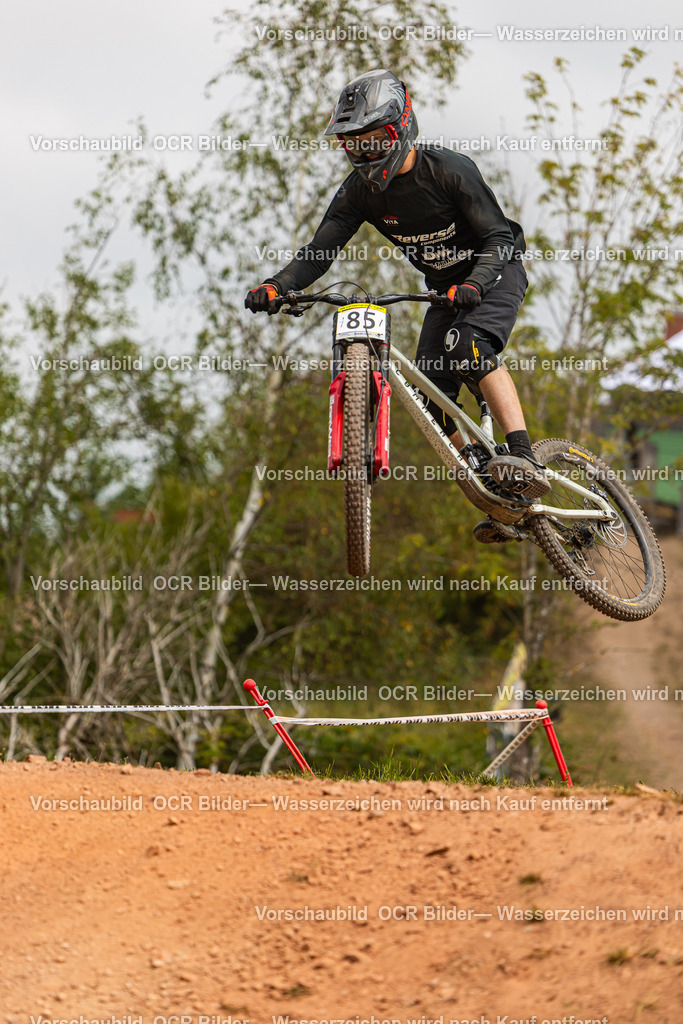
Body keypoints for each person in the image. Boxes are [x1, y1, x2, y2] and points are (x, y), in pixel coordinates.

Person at [245, 69, 549, 543]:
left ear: (403, 126)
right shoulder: (359, 192)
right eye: (354, 145)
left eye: (375, 140)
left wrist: (476, 282)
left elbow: (498, 237)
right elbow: (320, 250)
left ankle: (524, 456)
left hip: (495, 271)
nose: (366, 153)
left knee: (468, 346)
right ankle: (489, 486)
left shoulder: (449, 170)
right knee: (431, 395)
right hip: (445, 289)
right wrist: (276, 285)